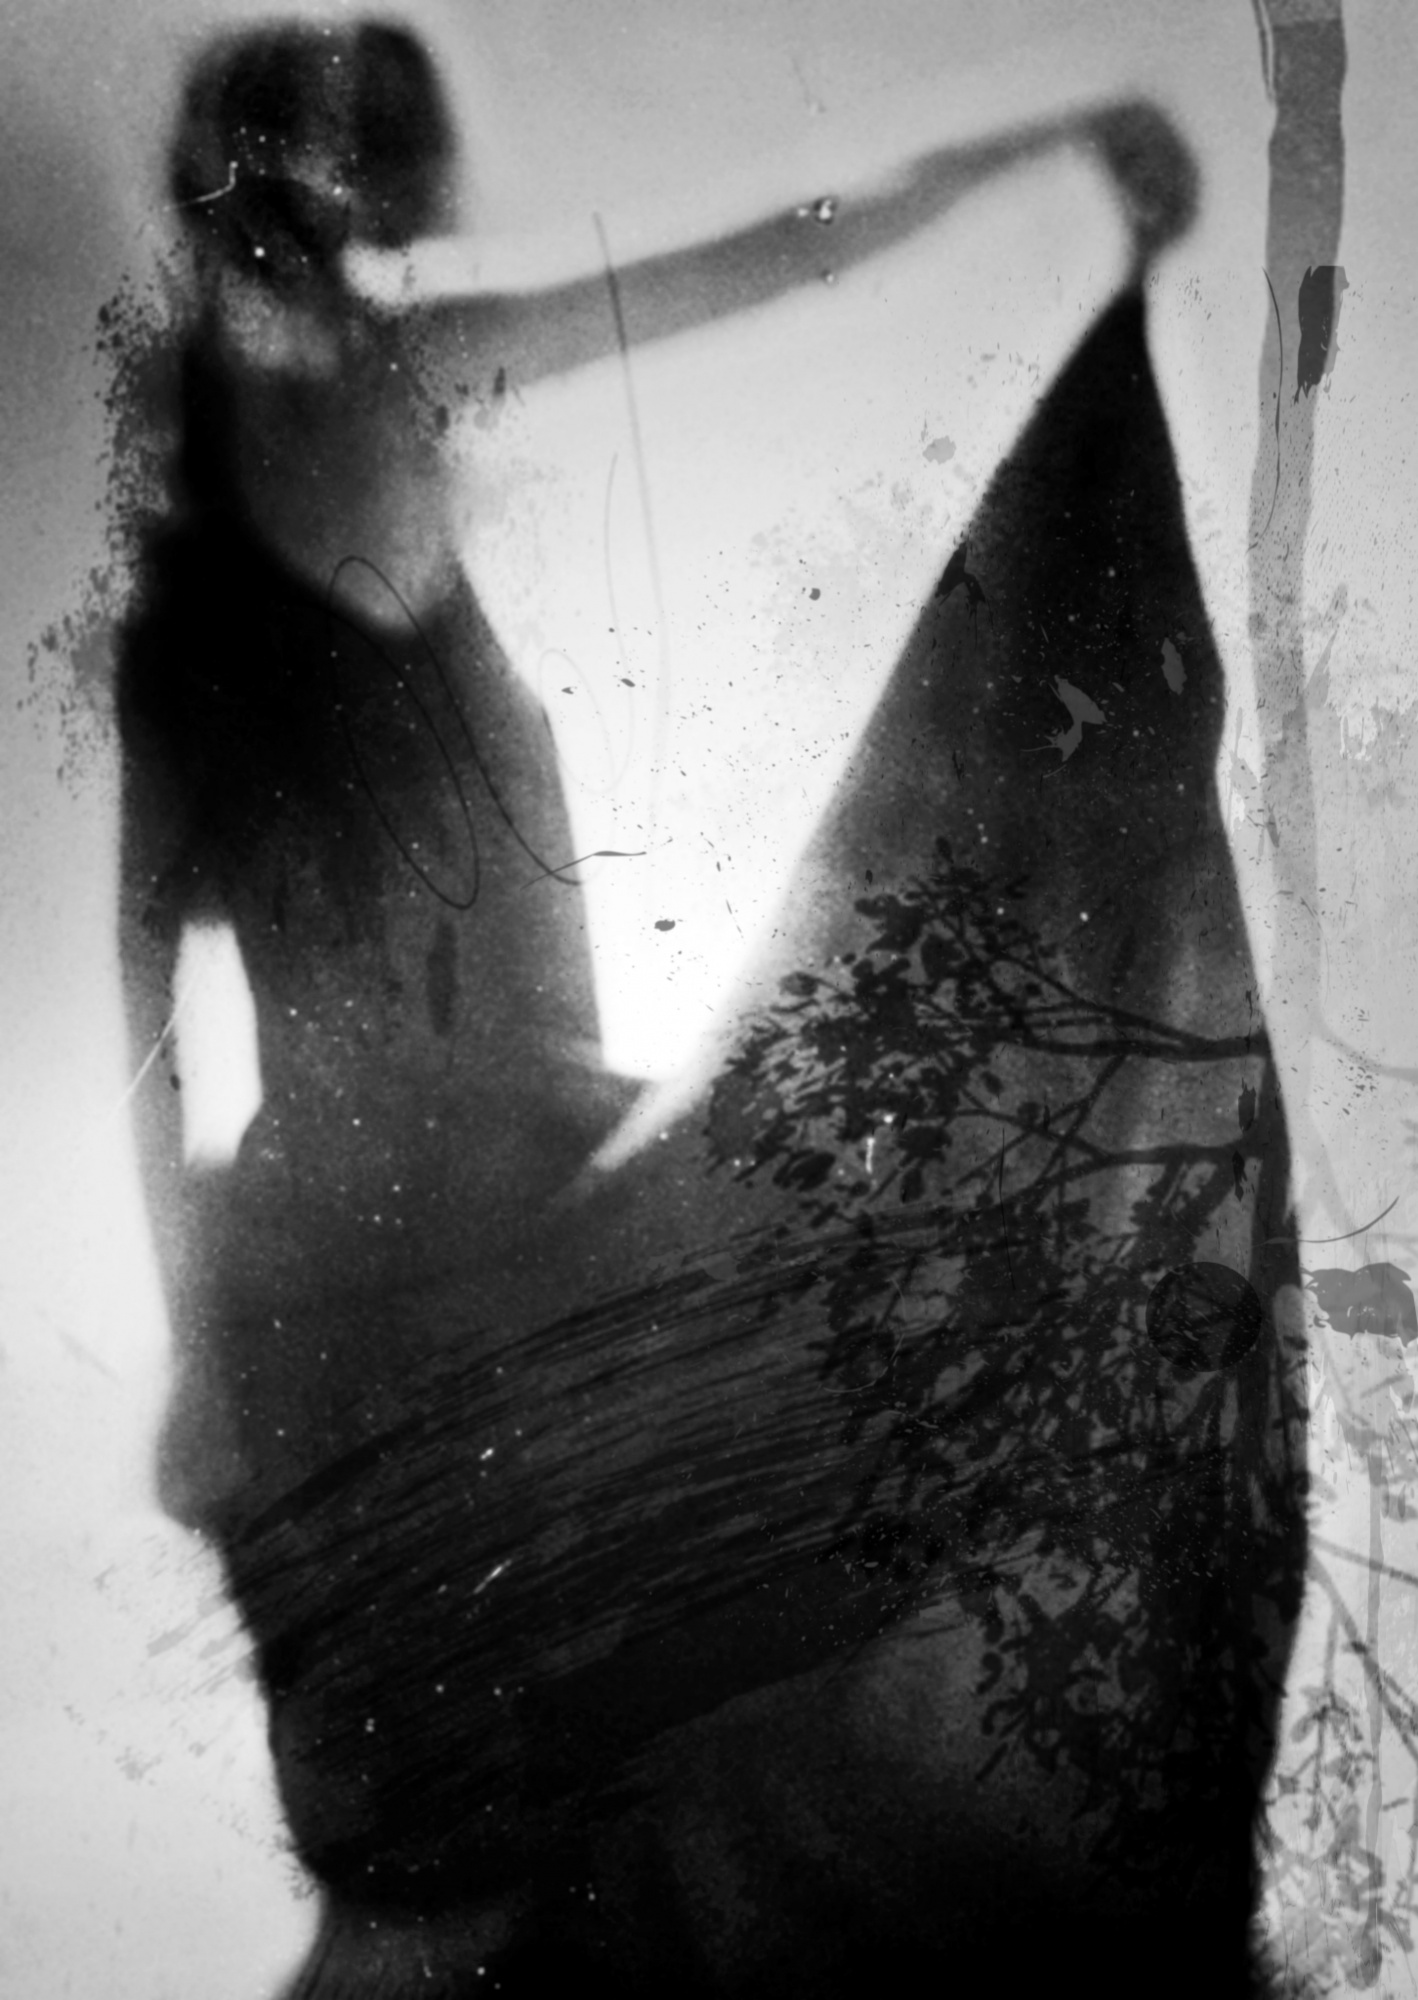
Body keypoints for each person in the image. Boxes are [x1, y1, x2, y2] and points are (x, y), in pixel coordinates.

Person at [115, 18, 1306, 1996]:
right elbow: (141, 1023)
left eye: (355, 187)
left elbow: (775, 250)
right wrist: (205, 1368)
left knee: (585, 1822)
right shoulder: (193, 622)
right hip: (379, 1290)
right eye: (295, 187)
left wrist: (1030, 149)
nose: (333, 235)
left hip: (501, 1229)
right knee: (452, 1882)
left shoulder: (383, 417)